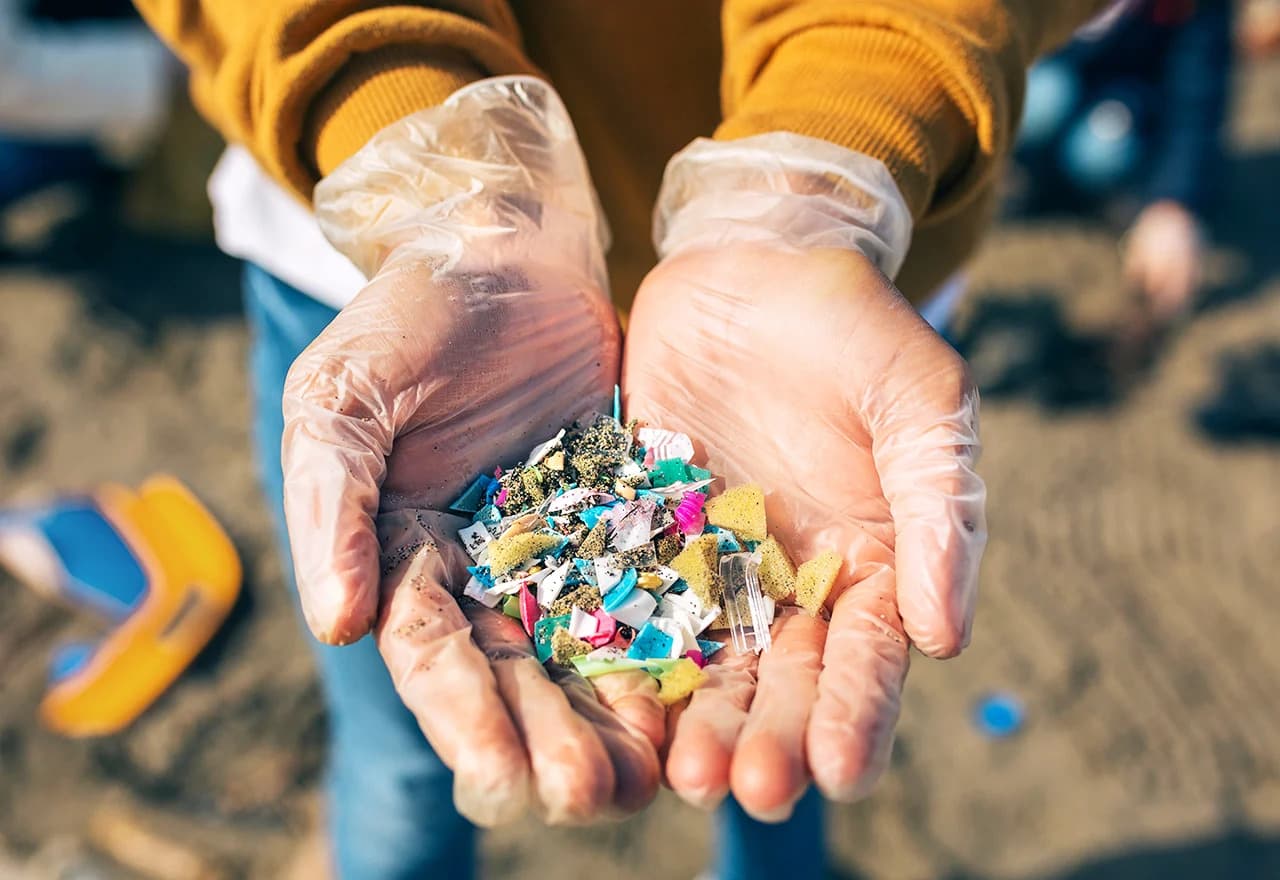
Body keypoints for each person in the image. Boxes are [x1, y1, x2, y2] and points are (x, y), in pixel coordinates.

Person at [130, 2, 1106, 878]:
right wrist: (429, 166)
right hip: (405, 274)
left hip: (821, 294)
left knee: (777, 750)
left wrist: (818, 178)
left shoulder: (705, 527)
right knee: (400, 755)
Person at [1010, 0, 1233, 321]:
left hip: (1123, 100)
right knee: (1041, 99)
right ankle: (1026, 178)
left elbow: (1198, 95)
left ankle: (1080, 193)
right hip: (1052, 76)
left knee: (1101, 150)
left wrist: (1173, 204)